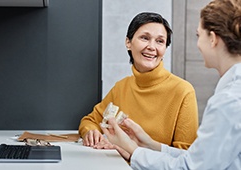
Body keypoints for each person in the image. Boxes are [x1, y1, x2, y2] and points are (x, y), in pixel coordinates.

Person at [101, 0, 241, 169]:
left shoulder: (229, 101)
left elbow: (189, 167)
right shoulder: (231, 95)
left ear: (212, 39)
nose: (198, 44)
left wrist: (133, 151)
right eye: (145, 38)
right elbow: (199, 159)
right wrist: (149, 144)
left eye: (198, 35)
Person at [79, 12, 199, 153]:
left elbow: (186, 156)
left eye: (160, 41)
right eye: (145, 38)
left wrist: (130, 148)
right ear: (128, 42)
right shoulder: (121, 87)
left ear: (165, 49)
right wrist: (91, 132)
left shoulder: (183, 91)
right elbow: (90, 120)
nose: (151, 47)